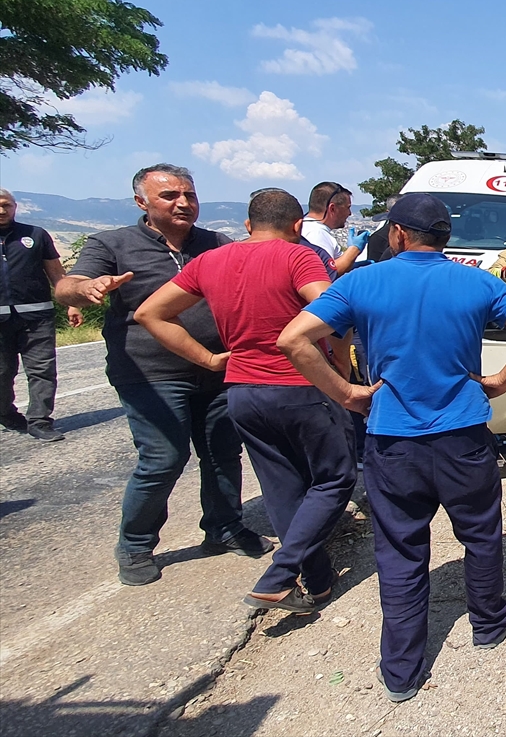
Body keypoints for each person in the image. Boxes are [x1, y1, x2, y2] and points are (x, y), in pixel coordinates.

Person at [277, 192, 506, 703]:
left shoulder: (360, 281)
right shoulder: (476, 281)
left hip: (393, 442)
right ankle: (490, 624)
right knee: (482, 534)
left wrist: (346, 393)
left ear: (398, 233)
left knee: (400, 552)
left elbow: (292, 340)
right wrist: (502, 381)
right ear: (445, 237)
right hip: (464, 437)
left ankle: (401, 671)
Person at [135, 188, 355, 614]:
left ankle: (318, 581)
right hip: (300, 389)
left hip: (242, 393)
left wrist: (209, 359)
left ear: (247, 225)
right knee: (334, 479)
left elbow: (150, 313)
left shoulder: (209, 260)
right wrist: (343, 370)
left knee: (283, 488)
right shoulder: (298, 256)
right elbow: (335, 310)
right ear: (297, 226)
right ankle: (280, 572)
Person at [55, 164, 270, 586]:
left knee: (222, 452)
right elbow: (67, 283)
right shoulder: (113, 243)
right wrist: (87, 288)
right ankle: (135, 545)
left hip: (215, 367)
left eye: (189, 195)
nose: (183, 203)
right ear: (142, 202)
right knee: (163, 458)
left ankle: (223, 527)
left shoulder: (214, 243)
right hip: (150, 373)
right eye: (170, 195)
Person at [0, 189, 67, 441]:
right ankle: (5, 413)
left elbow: (57, 274)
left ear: (15, 207)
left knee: (42, 370)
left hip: (37, 316)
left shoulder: (35, 235)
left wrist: (71, 304)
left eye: (6, 205)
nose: (1, 210)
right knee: (3, 373)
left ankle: (40, 421)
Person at [301, 181, 369, 277]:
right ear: (332, 208)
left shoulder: (304, 228)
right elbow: (324, 273)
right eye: (347, 208)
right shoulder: (316, 234)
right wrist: (354, 249)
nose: (349, 213)